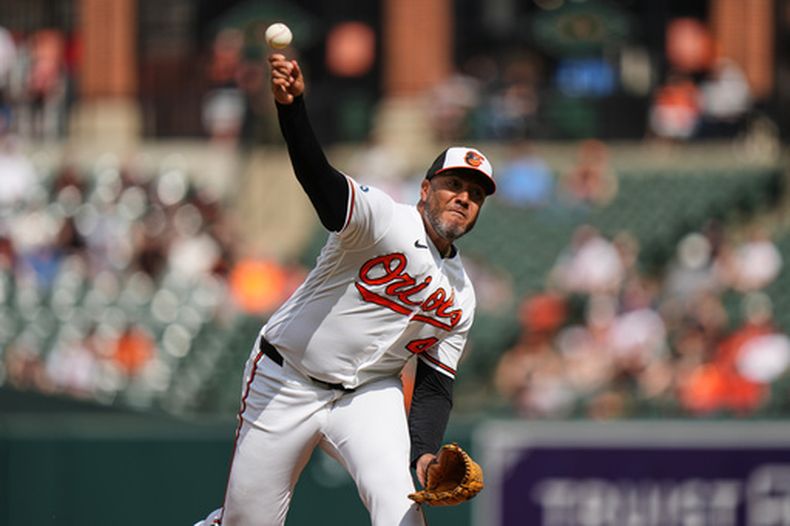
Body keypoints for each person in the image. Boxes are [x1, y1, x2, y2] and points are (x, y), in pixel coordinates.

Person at [195, 53, 496, 526]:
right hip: (288, 377)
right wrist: (292, 110)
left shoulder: (462, 296)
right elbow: (322, 183)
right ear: (425, 188)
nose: (463, 197)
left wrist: (423, 455)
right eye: (454, 184)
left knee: (403, 513)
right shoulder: (384, 220)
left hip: (369, 395)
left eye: (475, 194)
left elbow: (436, 386)